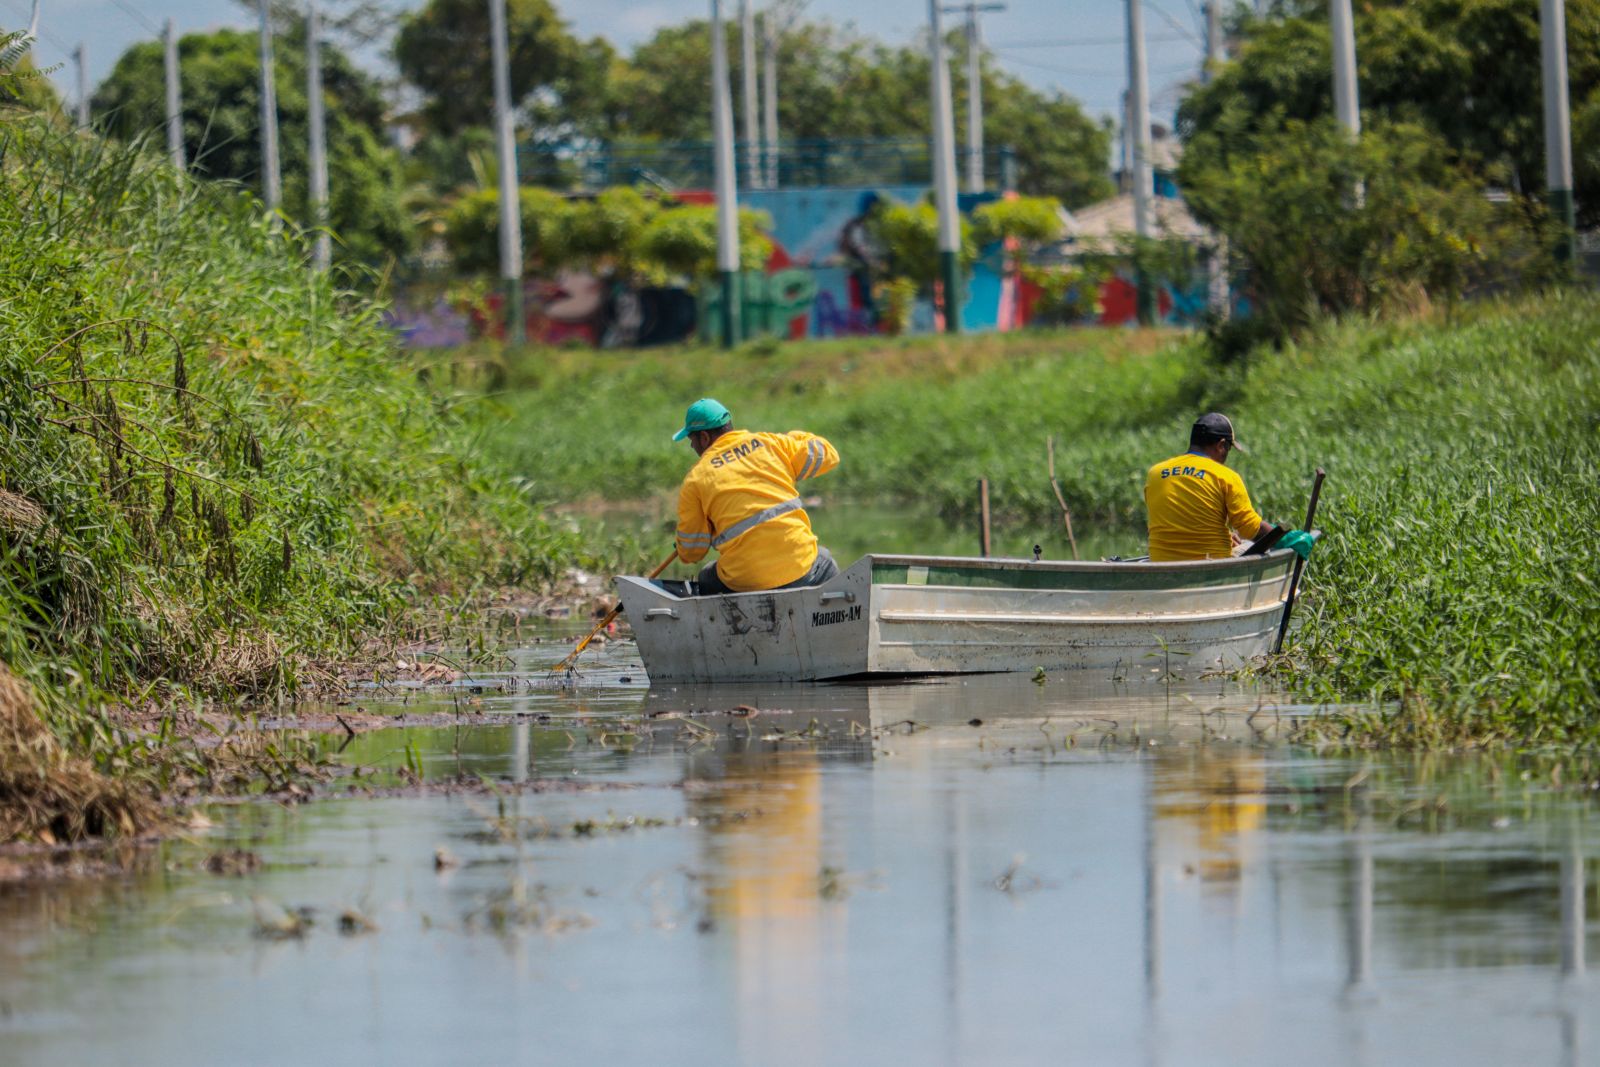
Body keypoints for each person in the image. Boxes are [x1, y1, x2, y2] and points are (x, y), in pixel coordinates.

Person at [672, 398, 840, 595]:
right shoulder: (771, 444)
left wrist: (685, 544)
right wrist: (794, 438)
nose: (693, 447)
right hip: (801, 568)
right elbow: (828, 454)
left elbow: (692, 552)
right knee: (825, 559)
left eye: (692, 441)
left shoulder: (696, 479)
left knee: (707, 577)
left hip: (744, 582)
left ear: (704, 438)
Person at [1144, 413, 1267, 562]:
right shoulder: (1226, 476)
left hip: (1161, 564)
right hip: (1209, 564)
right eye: (1228, 449)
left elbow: (1175, 517)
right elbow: (1250, 528)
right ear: (1221, 445)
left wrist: (1225, 535)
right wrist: (1287, 538)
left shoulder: (1155, 473)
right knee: (1253, 544)